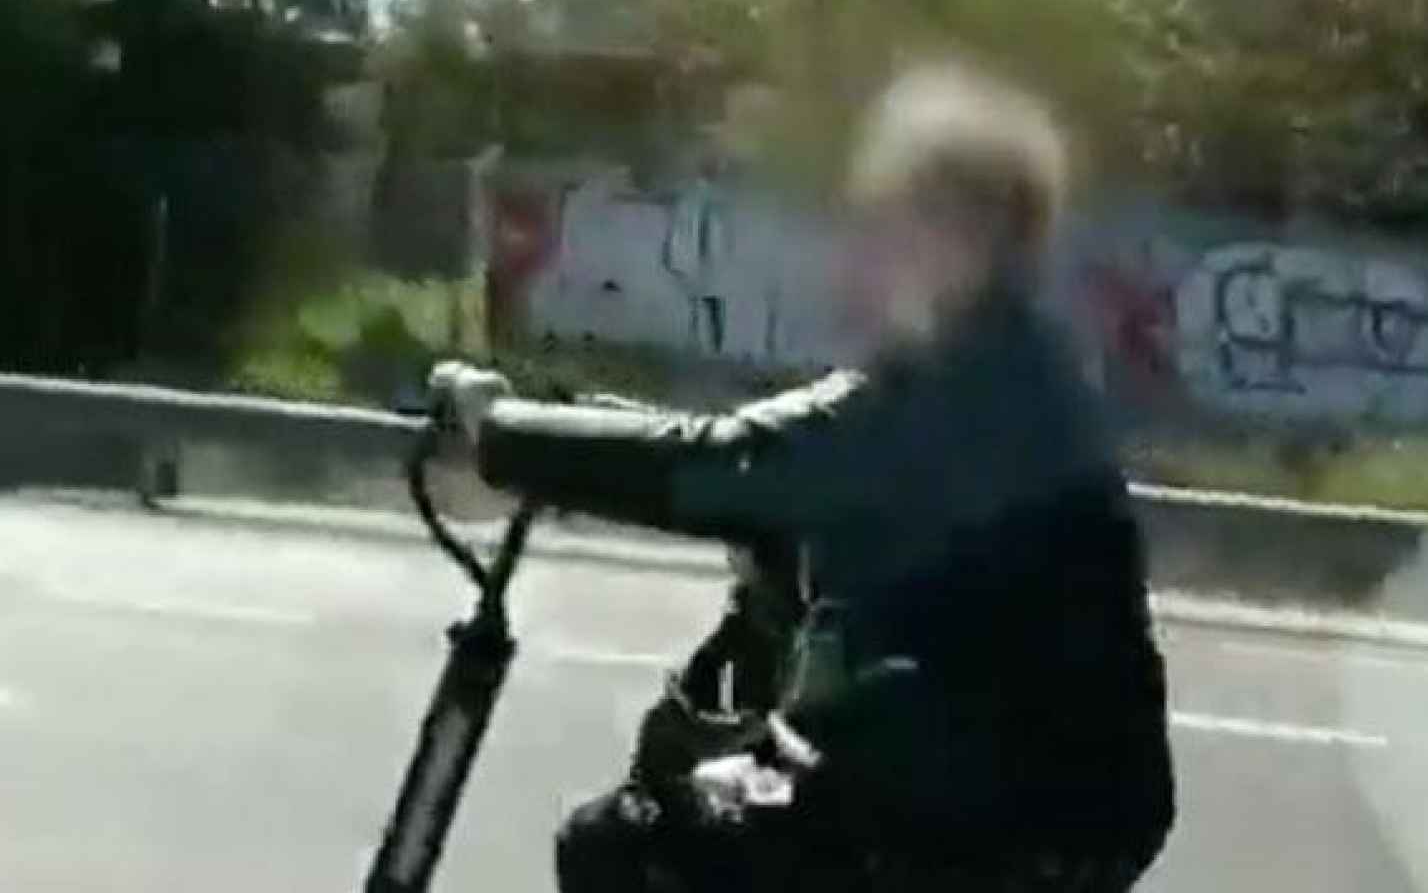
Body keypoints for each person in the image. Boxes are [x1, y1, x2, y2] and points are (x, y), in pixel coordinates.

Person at [429, 64, 1175, 891]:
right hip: (1035, 806)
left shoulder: (958, 381)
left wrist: (498, 430)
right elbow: (793, 460)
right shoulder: (1006, 357)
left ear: (963, 229)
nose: (863, 242)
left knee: (620, 848)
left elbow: (734, 462)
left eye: (891, 216)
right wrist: (569, 422)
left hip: (984, 824)